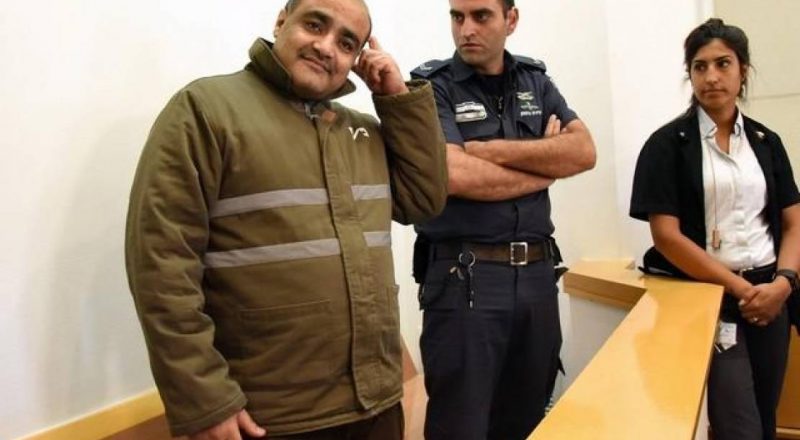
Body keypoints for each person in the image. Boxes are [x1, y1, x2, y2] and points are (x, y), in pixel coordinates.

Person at [124, 0, 448, 438]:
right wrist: (204, 399)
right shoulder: (206, 110)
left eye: (346, 43)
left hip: (376, 405)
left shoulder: (363, 133)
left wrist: (396, 99)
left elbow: (424, 198)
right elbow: (161, 265)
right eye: (315, 24)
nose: (326, 47)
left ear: (357, 59)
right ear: (281, 22)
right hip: (269, 417)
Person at [410, 0, 596, 438]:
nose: (466, 29)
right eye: (457, 17)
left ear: (511, 20)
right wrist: (545, 167)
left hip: (536, 277)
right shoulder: (431, 87)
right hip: (465, 279)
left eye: (481, 16)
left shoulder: (536, 81)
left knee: (527, 421)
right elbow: (454, 174)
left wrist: (487, 151)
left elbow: (583, 151)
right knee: (461, 426)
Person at [630, 18, 800, 440]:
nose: (711, 77)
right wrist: (742, 290)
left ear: (743, 70)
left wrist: (783, 283)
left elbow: (793, 221)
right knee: (737, 425)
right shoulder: (666, 145)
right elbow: (666, 237)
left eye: (723, 64)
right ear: (689, 74)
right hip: (712, 300)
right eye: (699, 66)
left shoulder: (766, 142)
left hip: (772, 296)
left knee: (765, 419)